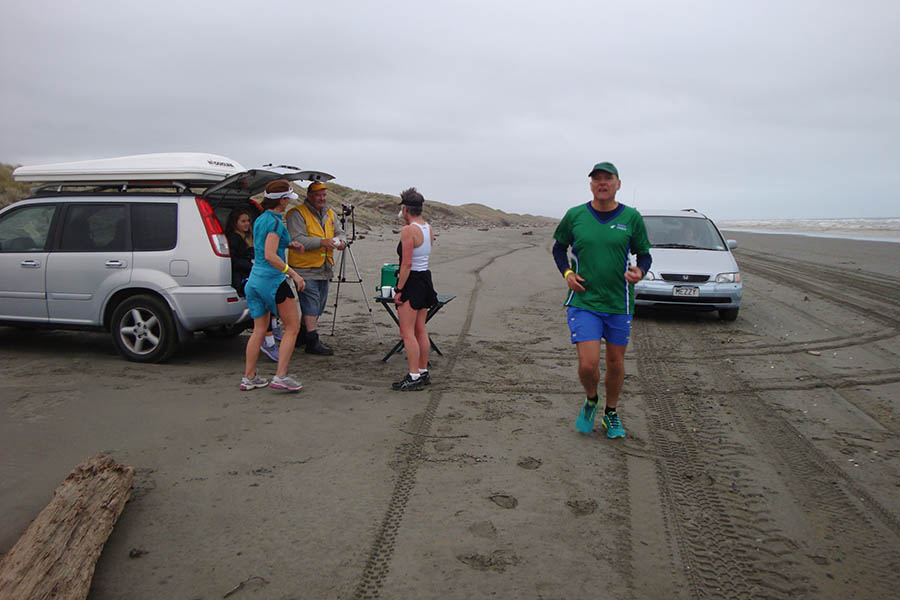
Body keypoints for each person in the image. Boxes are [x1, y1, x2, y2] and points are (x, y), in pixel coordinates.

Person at [551, 162, 652, 438]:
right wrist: (567, 273)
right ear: (591, 185)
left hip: (619, 302)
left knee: (616, 362)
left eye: (608, 178)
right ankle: (591, 399)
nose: (602, 183)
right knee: (588, 364)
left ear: (618, 184)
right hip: (584, 301)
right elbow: (559, 248)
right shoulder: (575, 215)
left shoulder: (631, 217)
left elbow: (644, 254)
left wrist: (640, 271)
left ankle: (611, 412)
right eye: (597, 179)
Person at [240, 180, 306, 392]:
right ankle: (281, 376)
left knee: (259, 329)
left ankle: (249, 377)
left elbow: (264, 244)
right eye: (288, 199)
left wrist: (289, 244)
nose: (289, 202)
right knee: (292, 328)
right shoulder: (276, 223)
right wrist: (293, 273)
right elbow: (270, 254)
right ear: (282, 200)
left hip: (254, 280)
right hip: (272, 281)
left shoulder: (261, 219)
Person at [285, 181, 346, 355]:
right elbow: (297, 239)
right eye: (318, 195)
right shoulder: (296, 214)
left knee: (318, 305)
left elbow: (340, 232)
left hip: (325, 267)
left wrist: (341, 242)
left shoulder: (330, 213)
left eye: (324, 195)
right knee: (311, 303)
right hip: (304, 267)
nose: (322, 198)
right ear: (309, 195)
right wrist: (322, 242)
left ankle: (302, 335)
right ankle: (312, 340)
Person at [391, 187, 438, 391]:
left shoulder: (409, 230)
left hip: (413, 281)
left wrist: (399, 289)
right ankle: (422, 370)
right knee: (420, 328)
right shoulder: (428, 228)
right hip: (425, 279)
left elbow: (407, 263)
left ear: (405, 209)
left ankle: (414, 375)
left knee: (407, 331)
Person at [225, 207, 281, 361]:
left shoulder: (247, 237)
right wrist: (251, 264)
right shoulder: (234, 238)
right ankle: (269, 338)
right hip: (242, 277)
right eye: (243, 221)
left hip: (251, 274)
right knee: (265, 297)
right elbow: (233, 260)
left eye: (248, 221)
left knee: (274, 290)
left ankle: (273, 326)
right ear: (235, 223)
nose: (247, 224)